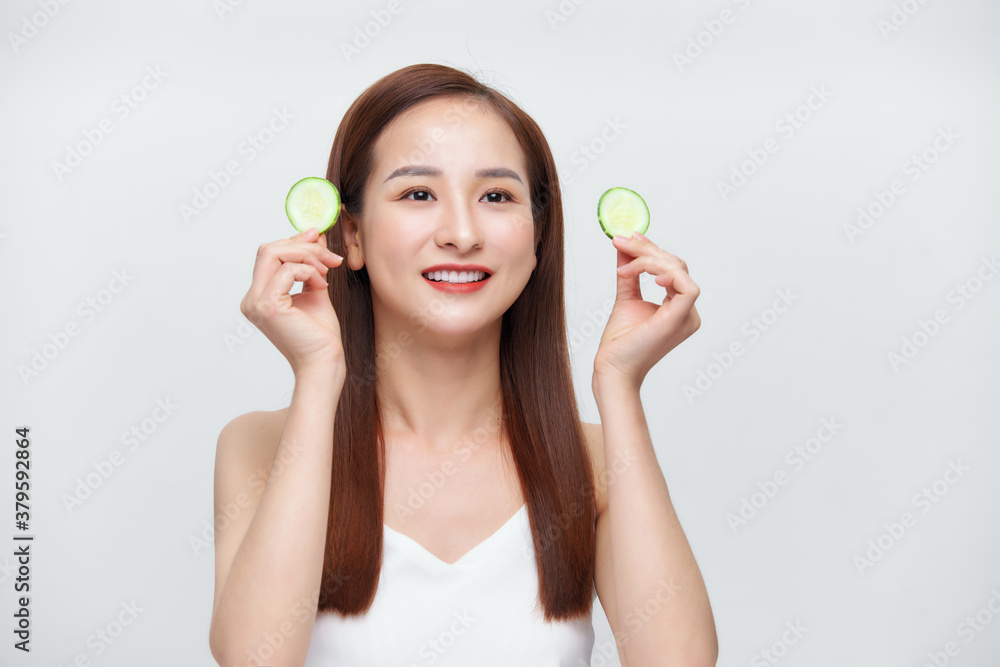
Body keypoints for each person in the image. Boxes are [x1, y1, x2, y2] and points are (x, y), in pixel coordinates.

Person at [208, 63, 718, 667]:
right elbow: (254, 661)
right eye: (418, 193)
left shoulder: (592, 461)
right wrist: (320, 374)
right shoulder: (259, 447)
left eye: (497, 196)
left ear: (537, 238)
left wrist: (620, 385)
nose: (461, 232)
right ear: (352, 235)